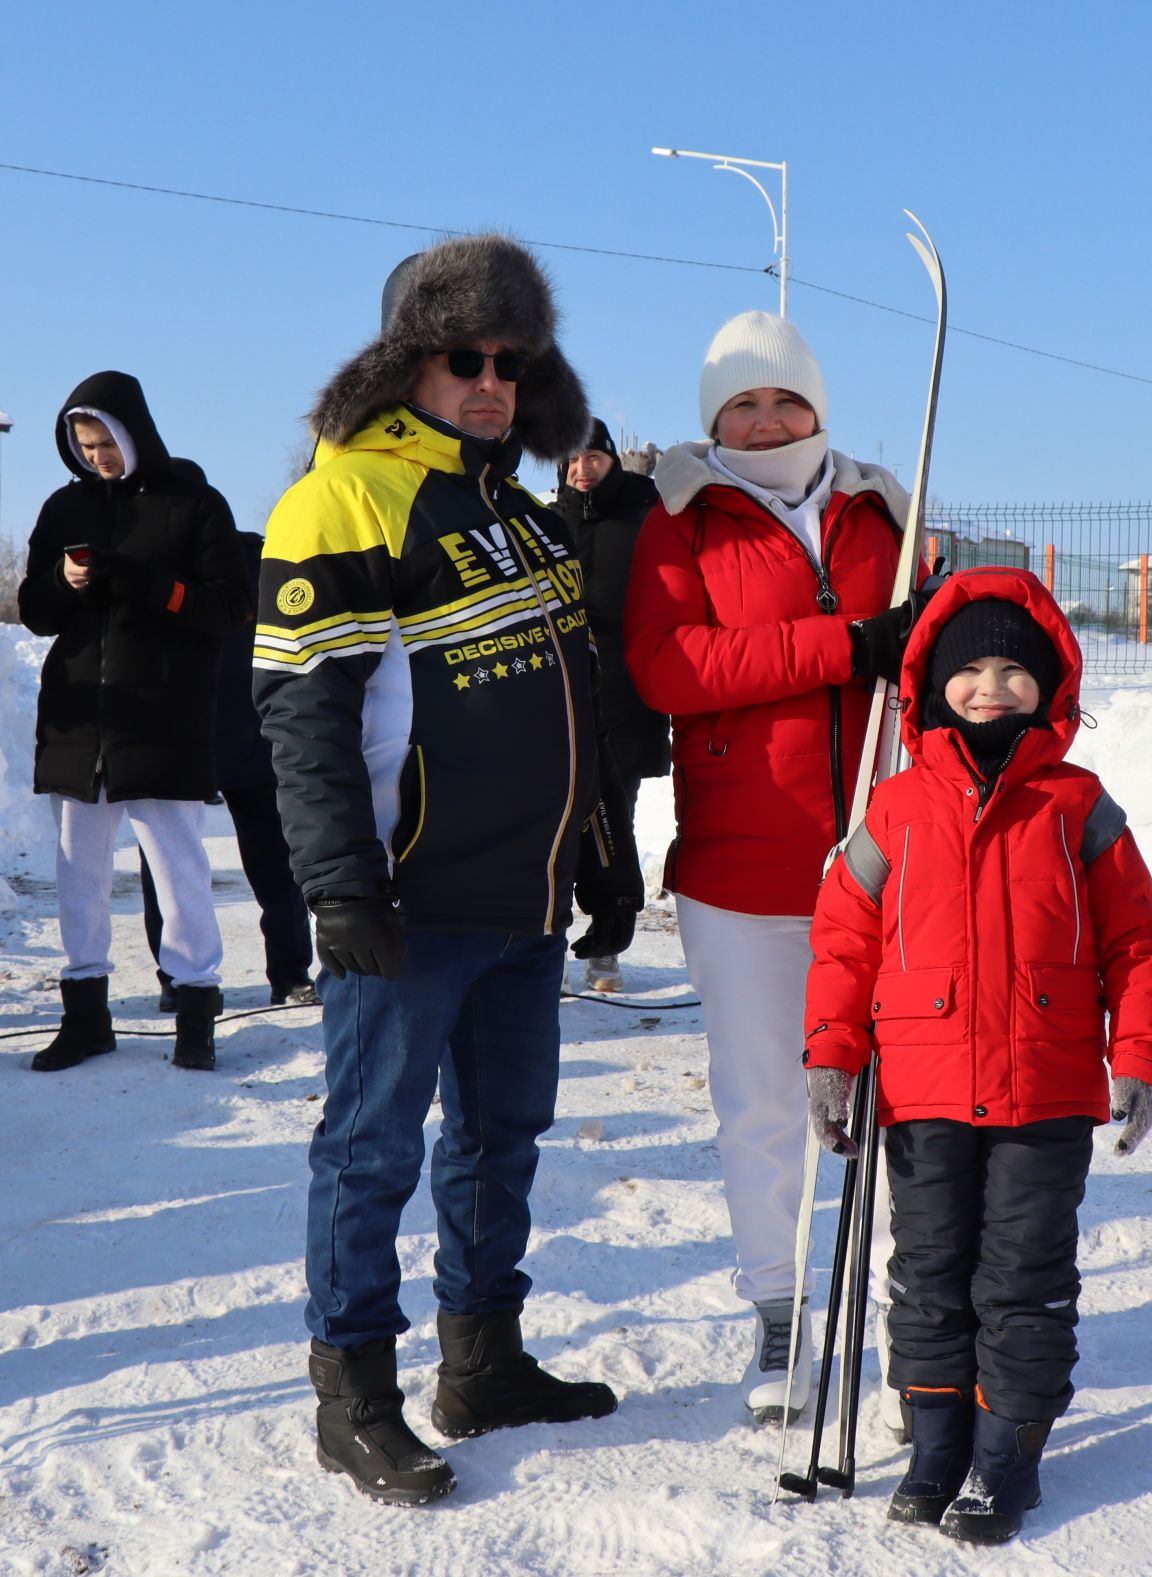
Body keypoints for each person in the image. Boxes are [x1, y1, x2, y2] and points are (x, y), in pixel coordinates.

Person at [254, 234, 640, 1506]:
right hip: (409, 902)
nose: (490, 383)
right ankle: (353, 1395)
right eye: (464, 357)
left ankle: (483, 1361)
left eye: (511, 362)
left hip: (523, 901)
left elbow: (573, 701)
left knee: (500, 1141)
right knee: (371, 1150)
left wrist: (601, 850)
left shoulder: (519, 514)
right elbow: (303, 718)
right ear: (405, 362)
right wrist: (339, 886)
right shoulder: (345, 494)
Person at [802, 568, 1152, 1544]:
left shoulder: (1077, 805)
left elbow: (1136, 941)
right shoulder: (894, 808)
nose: (991, 686)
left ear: (1050, 685)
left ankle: (1007, 1451)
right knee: (928, 1268)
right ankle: (934, 1440)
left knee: (1023, 1273)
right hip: (922, 1089)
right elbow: (845, 941)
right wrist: (831, 1057)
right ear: (932, 684)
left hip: (1045, 1090)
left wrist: (1138, 1055)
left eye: (1015, 668)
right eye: (970, 667)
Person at [626, 309, 920, 1422]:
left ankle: (904, 1314)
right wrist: (843, 646)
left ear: (817, 404)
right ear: (715, 416)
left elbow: (932, 656)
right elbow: (670, 663)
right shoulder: (680, 513)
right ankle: (779, 1309)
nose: (764, 419)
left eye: (783, 398)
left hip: (880, 861)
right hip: (740, 871)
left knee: (898, 1102)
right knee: (763, 1100)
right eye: (741, 402)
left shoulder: (886, 504)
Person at [16, 371, 251, 1073]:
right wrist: (66, 583)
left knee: (178, 869)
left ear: (133, 432)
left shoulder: (195, 503)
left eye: (105, 443)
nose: (96, 457)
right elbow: (34, 610)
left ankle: (195, 1011)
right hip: (78, 719)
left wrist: (152, 587)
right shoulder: (64, 508)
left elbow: (229, 606)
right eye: (84, 446)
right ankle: (85, 1015)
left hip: (162, 717)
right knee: (78, 874)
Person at [139, 529, 316, 1011]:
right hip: (177, 740)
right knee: (169, 869)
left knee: (278, 866)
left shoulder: (260, 558)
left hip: (252, 734)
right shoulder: (151, 561)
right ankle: (178, 976)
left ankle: (291, 973)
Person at [552, 418, 668, 993]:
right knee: (557, 817)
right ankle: (548, 936)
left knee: (613, 815)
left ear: (611, 460)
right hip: (559, 692)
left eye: (592, 458)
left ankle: (609, 943)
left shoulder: (645, 516)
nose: (581, 470)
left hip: (624, 690)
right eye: (571, 461)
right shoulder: (548, 523)